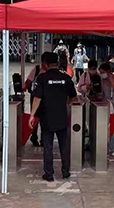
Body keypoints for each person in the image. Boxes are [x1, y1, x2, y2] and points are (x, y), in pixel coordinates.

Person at [30, 53, 77, 182]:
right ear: (58, 63)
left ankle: (49, 174)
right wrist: (66, 103)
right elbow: (73, 96)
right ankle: (65, 171)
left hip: (47, 117)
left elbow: (37, 98)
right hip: (62, 116)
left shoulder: (42, 78)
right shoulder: (66, 78)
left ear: (45, 64)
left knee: (48, 147)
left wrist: (32, 115)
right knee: (64, 147)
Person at [25, 52, 49, 147]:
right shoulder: (37, 69)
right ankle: (34, 137)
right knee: (35, 118)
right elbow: (28, 82)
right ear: (43, 62)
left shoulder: (51, 70)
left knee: (45, 119)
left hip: (47, 98)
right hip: (36, 97)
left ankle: (44, 139)